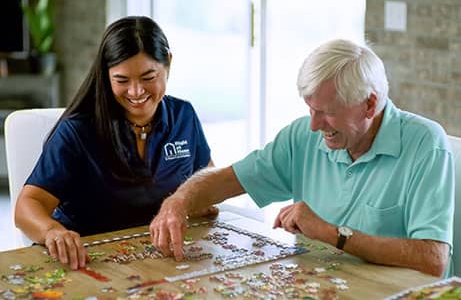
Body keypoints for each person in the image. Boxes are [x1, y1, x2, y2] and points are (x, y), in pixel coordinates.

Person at [150, 39, 454, 277]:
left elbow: (433, 260)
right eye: (311, 109)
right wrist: (180, 201)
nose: (314, 125)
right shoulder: (303, 135)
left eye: (327, 113)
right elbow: (231, 178)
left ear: (369, 104)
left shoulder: (426, 144)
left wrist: (333, 234)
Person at [15, 16, 217, 270]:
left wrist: (198, 202)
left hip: (157, 257)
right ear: (106, 75)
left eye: (148, 77)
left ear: (168, 64)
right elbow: (26, 207)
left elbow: (207, 180)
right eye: (122, 80)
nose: (135, 92)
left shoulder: (184, 116)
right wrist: (52, 231)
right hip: (88, 261)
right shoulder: (77, 131)